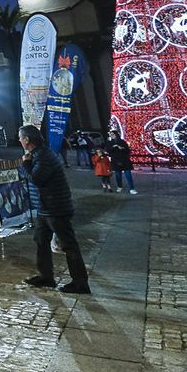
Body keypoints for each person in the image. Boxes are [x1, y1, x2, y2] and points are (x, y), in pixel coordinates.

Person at [19, 124, 90, 294]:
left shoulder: (43, 156)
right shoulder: (39, 153)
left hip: (55, 208)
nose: (19, 141)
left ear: (27, 140)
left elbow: (37, 179)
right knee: (41, 240)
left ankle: (80, 283)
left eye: (20, 138)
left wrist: (26, 165)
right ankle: (46, 276)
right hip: (46, 208)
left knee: (68, 245)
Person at [106, 130, 137, 195]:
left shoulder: (122, 142)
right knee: (118, 175)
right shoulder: (109, 142)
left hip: (124, 160)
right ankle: (119, 186)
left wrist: (122, 148)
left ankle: (131, 188)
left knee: (128, 175)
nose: (112, 136)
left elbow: (128, 150)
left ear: (116, 135)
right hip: (115, 160)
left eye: (113, 134)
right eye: (111, 135)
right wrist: (113, 147)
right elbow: (108, 151)